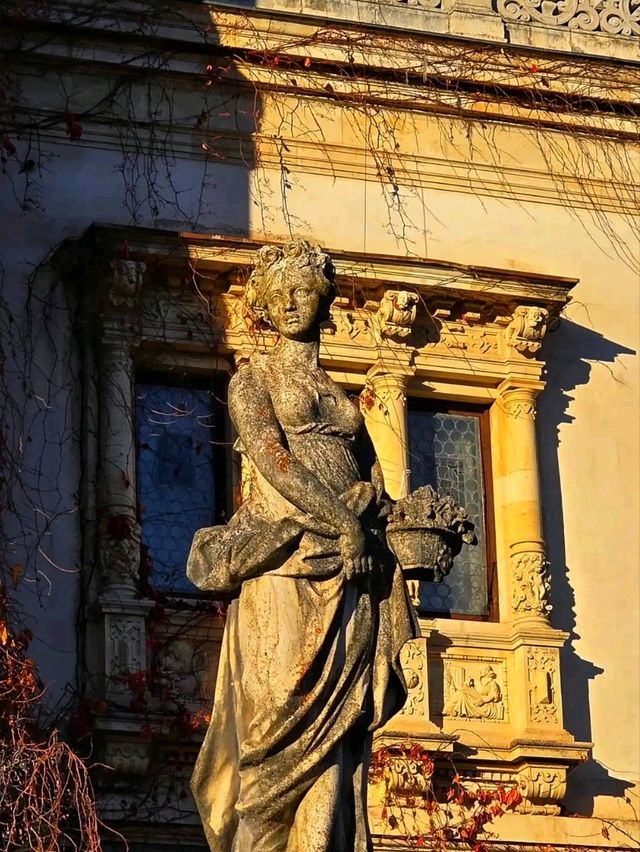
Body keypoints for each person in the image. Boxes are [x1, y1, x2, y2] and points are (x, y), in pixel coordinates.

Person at [187, 239, 418, 851]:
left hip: (350, 574)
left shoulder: (340, 391)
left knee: (336, 746)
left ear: (324, 298)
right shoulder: (253, 378)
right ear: (263, 303)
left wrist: (372, 505)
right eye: (279, 293)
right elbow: (274, 460)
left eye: (303, 291)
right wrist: (341, 520)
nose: (291, 303)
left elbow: (371, 472)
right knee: (275, 730)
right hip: (287, 562)